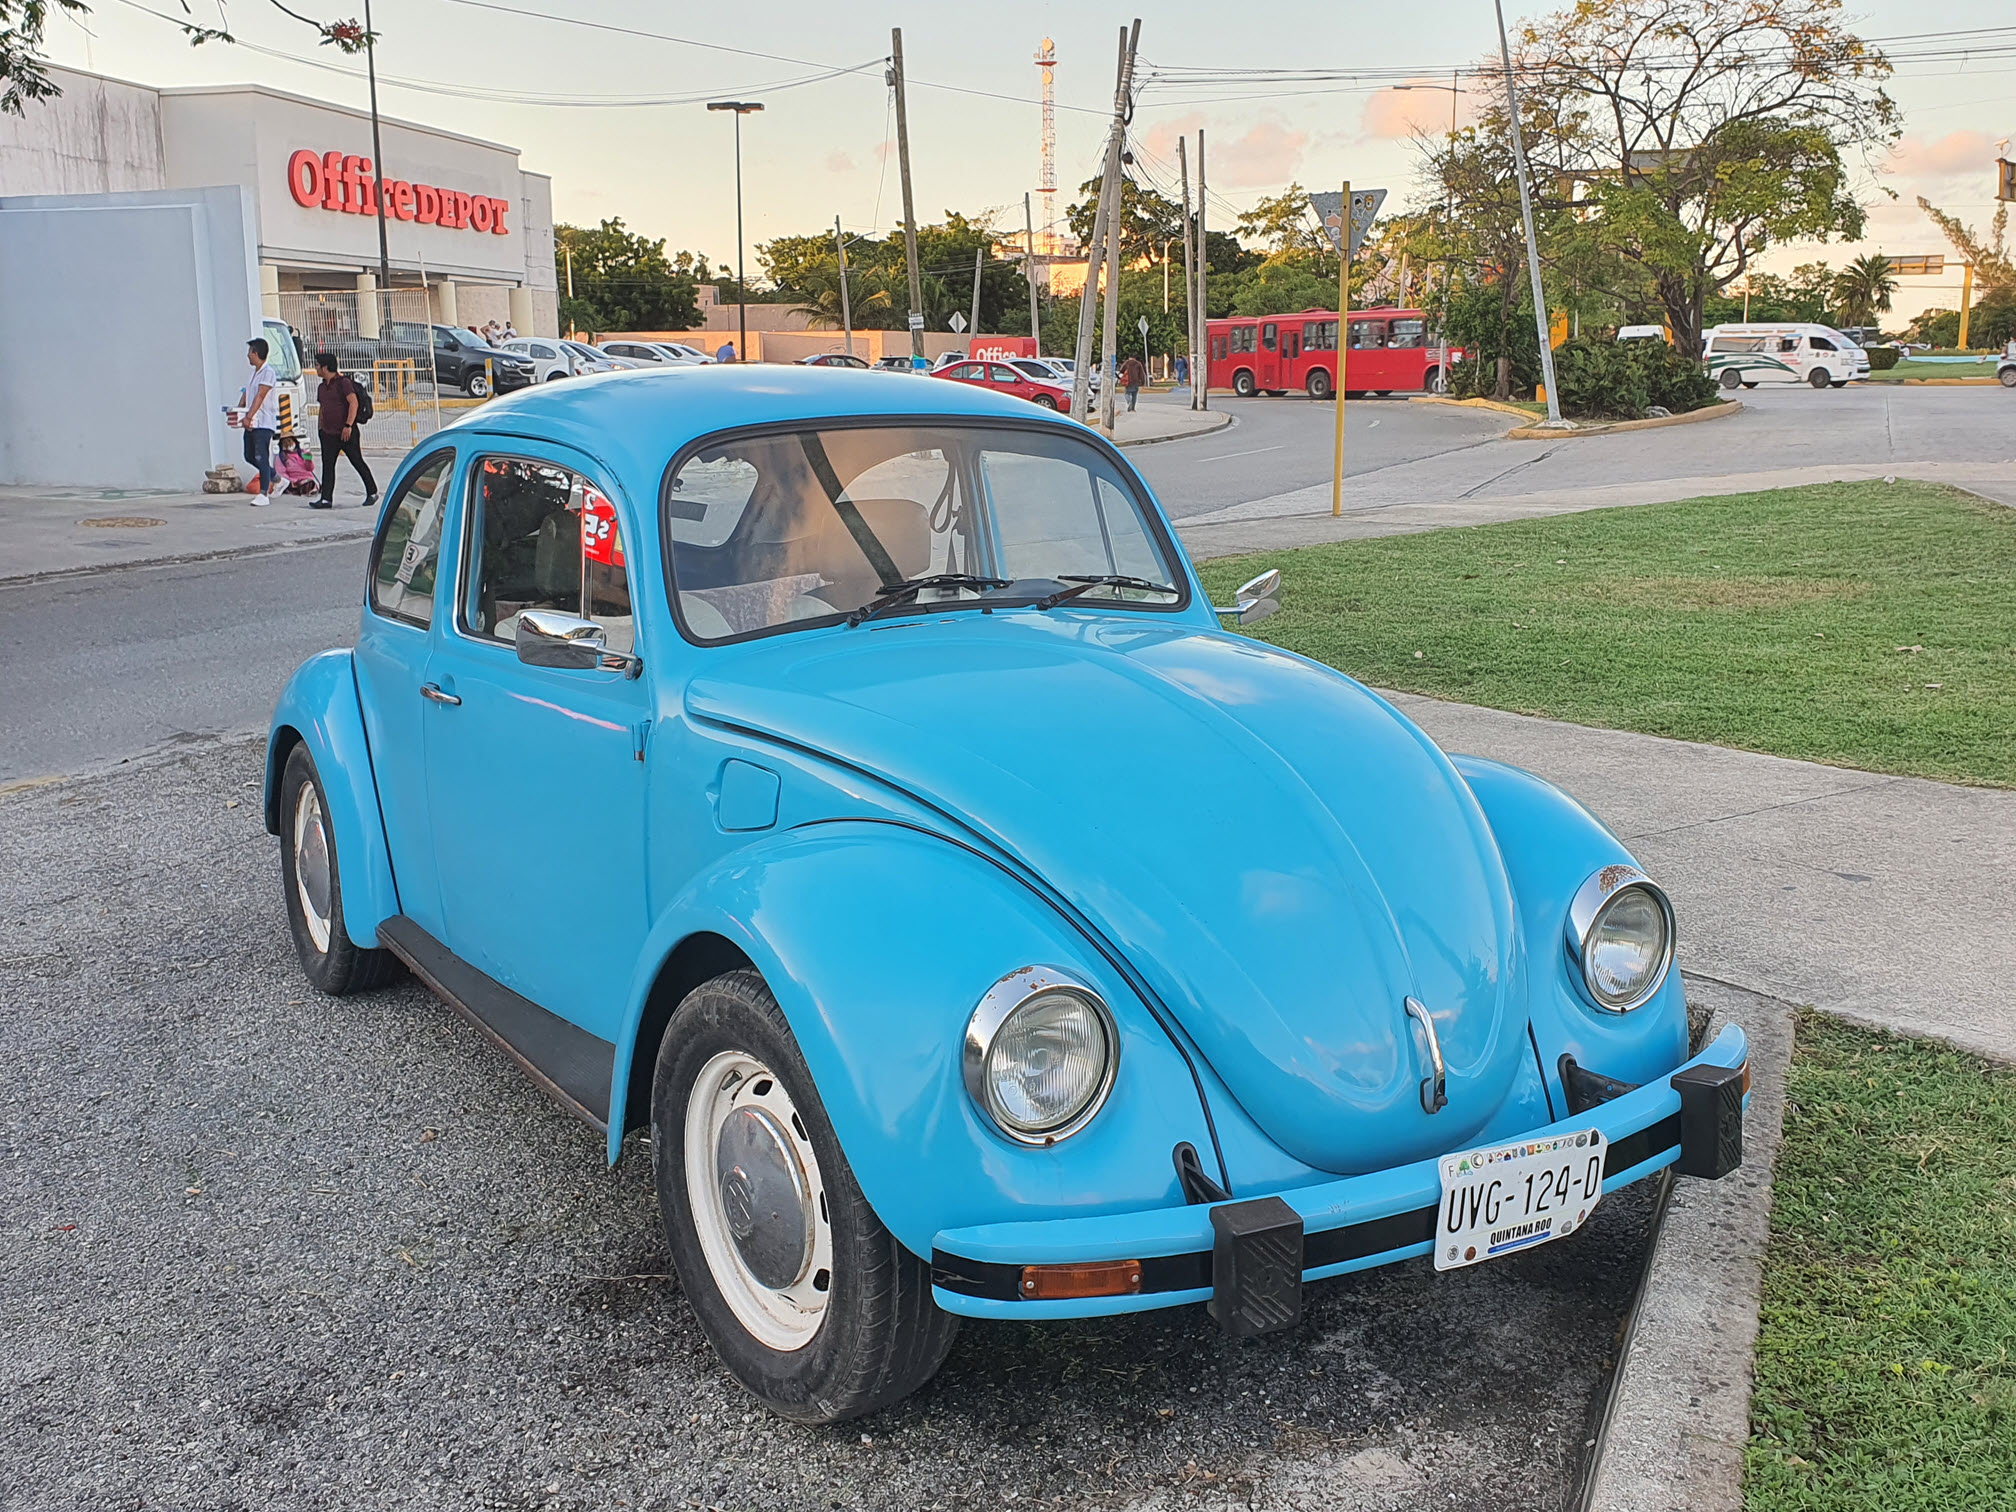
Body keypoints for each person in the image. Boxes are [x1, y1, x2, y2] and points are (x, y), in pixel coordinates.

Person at [313, 352, 379, 510]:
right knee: (328, 465)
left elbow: (353, 403)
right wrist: (320, 428)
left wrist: (348, 425)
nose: (316, 368)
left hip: (346, 432)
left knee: (357, 461)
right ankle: (326, 499)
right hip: (328, 433)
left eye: (317, 365)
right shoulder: (322, 387)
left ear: (325, 367)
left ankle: (372, 492)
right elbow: (322, 408)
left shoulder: (344, 383)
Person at [231, 337, 280, 504]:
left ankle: (264, 493)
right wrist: (239, 409)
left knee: (261, 456)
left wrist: (249, 416)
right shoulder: (254, 373)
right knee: (249, 455)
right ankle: (276, 478)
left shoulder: (268, 373)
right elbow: (248, 393)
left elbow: (260, 396)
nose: (248, 355)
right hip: (252, 423)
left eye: (250, 352)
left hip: (263, 422)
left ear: (256, 353)